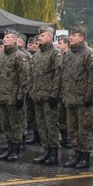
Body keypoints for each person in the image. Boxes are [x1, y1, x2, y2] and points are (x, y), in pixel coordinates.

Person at [60, 25, 93, 168]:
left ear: (81, 38)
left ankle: (85, 156)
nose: (71, 37)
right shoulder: (69, 54)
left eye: (74, 35)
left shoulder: (89, 54)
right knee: (73, 129)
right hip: (70, 98)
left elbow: (92, 77)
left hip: (83, 100)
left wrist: (89, 97)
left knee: (85, 129)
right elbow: (64, 75)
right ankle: (77, 154)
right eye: (71, 35)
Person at [0, 30, 30, 161]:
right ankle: (9, 147)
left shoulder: (19, 56)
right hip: (2, 96)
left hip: (14, 97)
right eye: (5, 37)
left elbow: (24, 78)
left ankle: (15, 149)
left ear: (15, 40)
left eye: (8, 37)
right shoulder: (1, 56)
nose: (5, 39)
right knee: (6, 124)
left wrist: (21, 96)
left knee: (16, 124)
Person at [30, 26, 63, 166]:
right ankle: (46, 151)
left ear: (50, 37)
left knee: (51, 125)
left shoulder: (55, 54)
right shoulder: (37, 54)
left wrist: (54, 95)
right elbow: (33, 75)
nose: (39, 38)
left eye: (42, 35)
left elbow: (58, 75)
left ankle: (54, 154)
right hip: (38, 96)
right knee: (42, 125)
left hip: (49, 96)